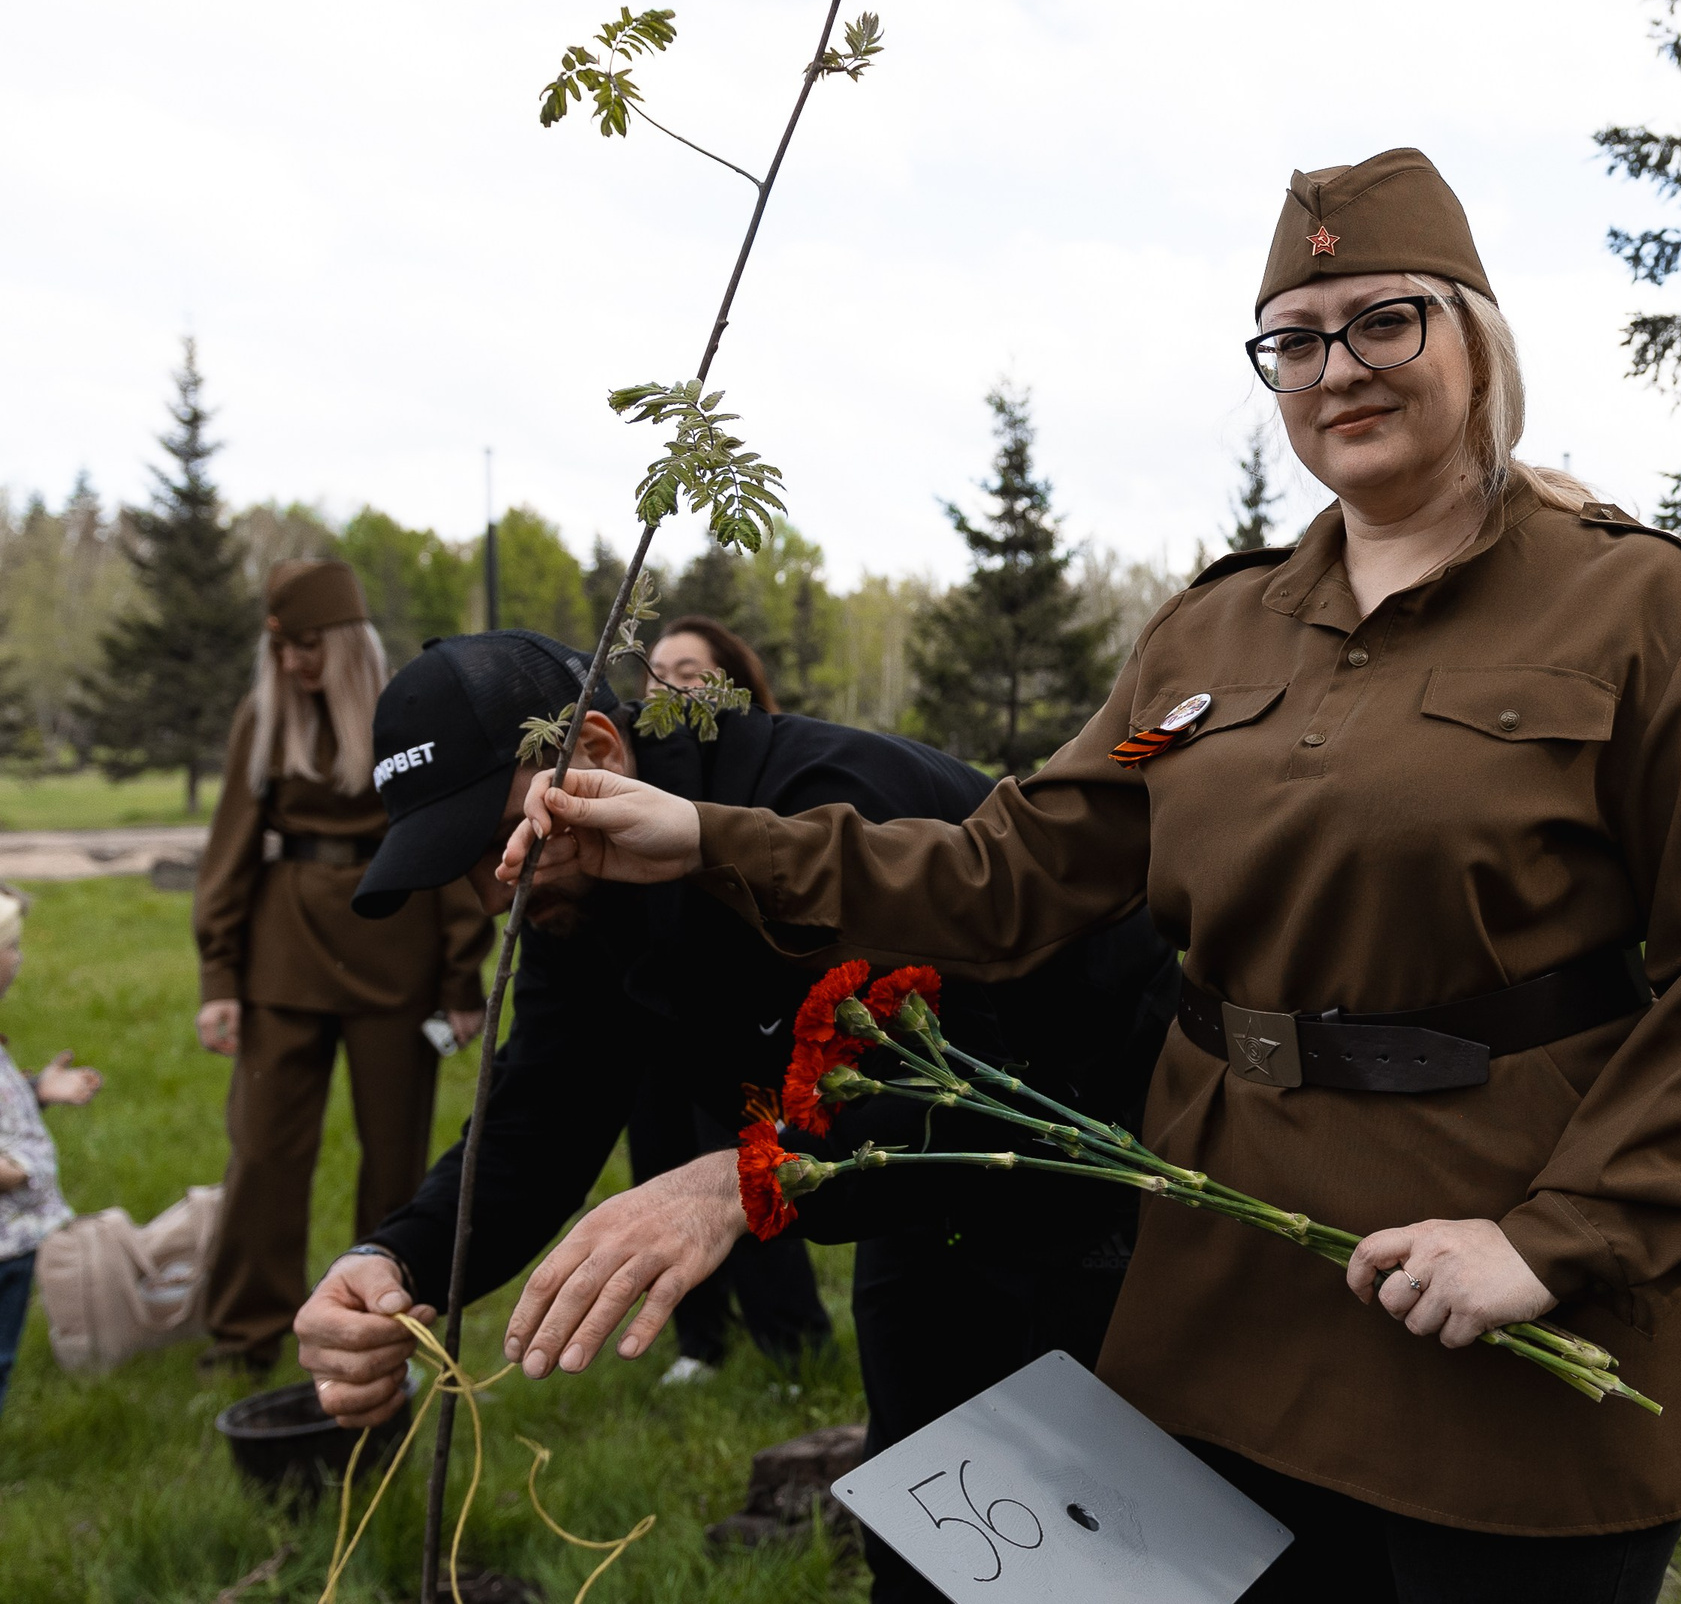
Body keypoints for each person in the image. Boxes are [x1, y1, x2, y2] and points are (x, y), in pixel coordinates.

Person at [499, 148, 1681, 1602]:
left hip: (1491, 1285)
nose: (1339, 369)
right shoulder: (1211, 641)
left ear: (1475, 336)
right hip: (1232, 1296)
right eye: (1297, 339)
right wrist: (702, 836)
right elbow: (1007, 871)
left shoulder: (1643, 610)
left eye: (1386, 321)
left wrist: (1555, 1242)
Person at [293, 630, 1177, 1604]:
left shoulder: (820, 795)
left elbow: (957, 1088)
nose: (490, 885)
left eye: (495, 838)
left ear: (593, 751)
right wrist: (392, 1259)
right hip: (908, 1204)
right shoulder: (559, 881)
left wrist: (739, 1174)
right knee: (929, 1537)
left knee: (1111, 1545)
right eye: (454, 864)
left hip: (1096, 1166)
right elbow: (542, 1106)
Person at [192, 560, 494, 1373]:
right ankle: (248, 1330)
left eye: (309, 646)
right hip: (282, 959)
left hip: (393, 956)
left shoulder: (406, 715)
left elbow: (449, 849)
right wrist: (220, 978)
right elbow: (227, 855)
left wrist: (461, 978)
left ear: (348, 642)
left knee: (395, 1158)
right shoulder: (264, 719)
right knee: (262, 1153)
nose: (295, 663)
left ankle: (384, 1321)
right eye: (283, 648)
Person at [630, 614, 809, 1383]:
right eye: (657, 668)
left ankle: (791, 1340)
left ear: (734, 682)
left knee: (746, 1170)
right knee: (659, 1164)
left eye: (691, 670)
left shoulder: (766, 775)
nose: (668, 682)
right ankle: (699, 1339)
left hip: (737, 1010)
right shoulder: (633, 776)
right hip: (656, 1009)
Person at [0, 884, 107, 1415]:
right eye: (10, 947)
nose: (18, 958)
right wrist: (11, 1173)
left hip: (15, 1240)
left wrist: (39, 1089)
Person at [646, 615, 778, 714]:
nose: (668, 688)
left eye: (687, 674)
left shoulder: (782, 745)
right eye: (657, 676)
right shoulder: (631, 746)